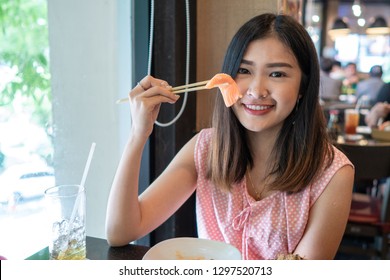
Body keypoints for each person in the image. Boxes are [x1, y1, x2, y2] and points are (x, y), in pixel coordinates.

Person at [105, 13, 354, 260]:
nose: (256, 90)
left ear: (303, 87)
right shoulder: (205, 149)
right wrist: (138, 134)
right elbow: (121, 231)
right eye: (244, 70)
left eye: (277, 74)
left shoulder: (332, 172)